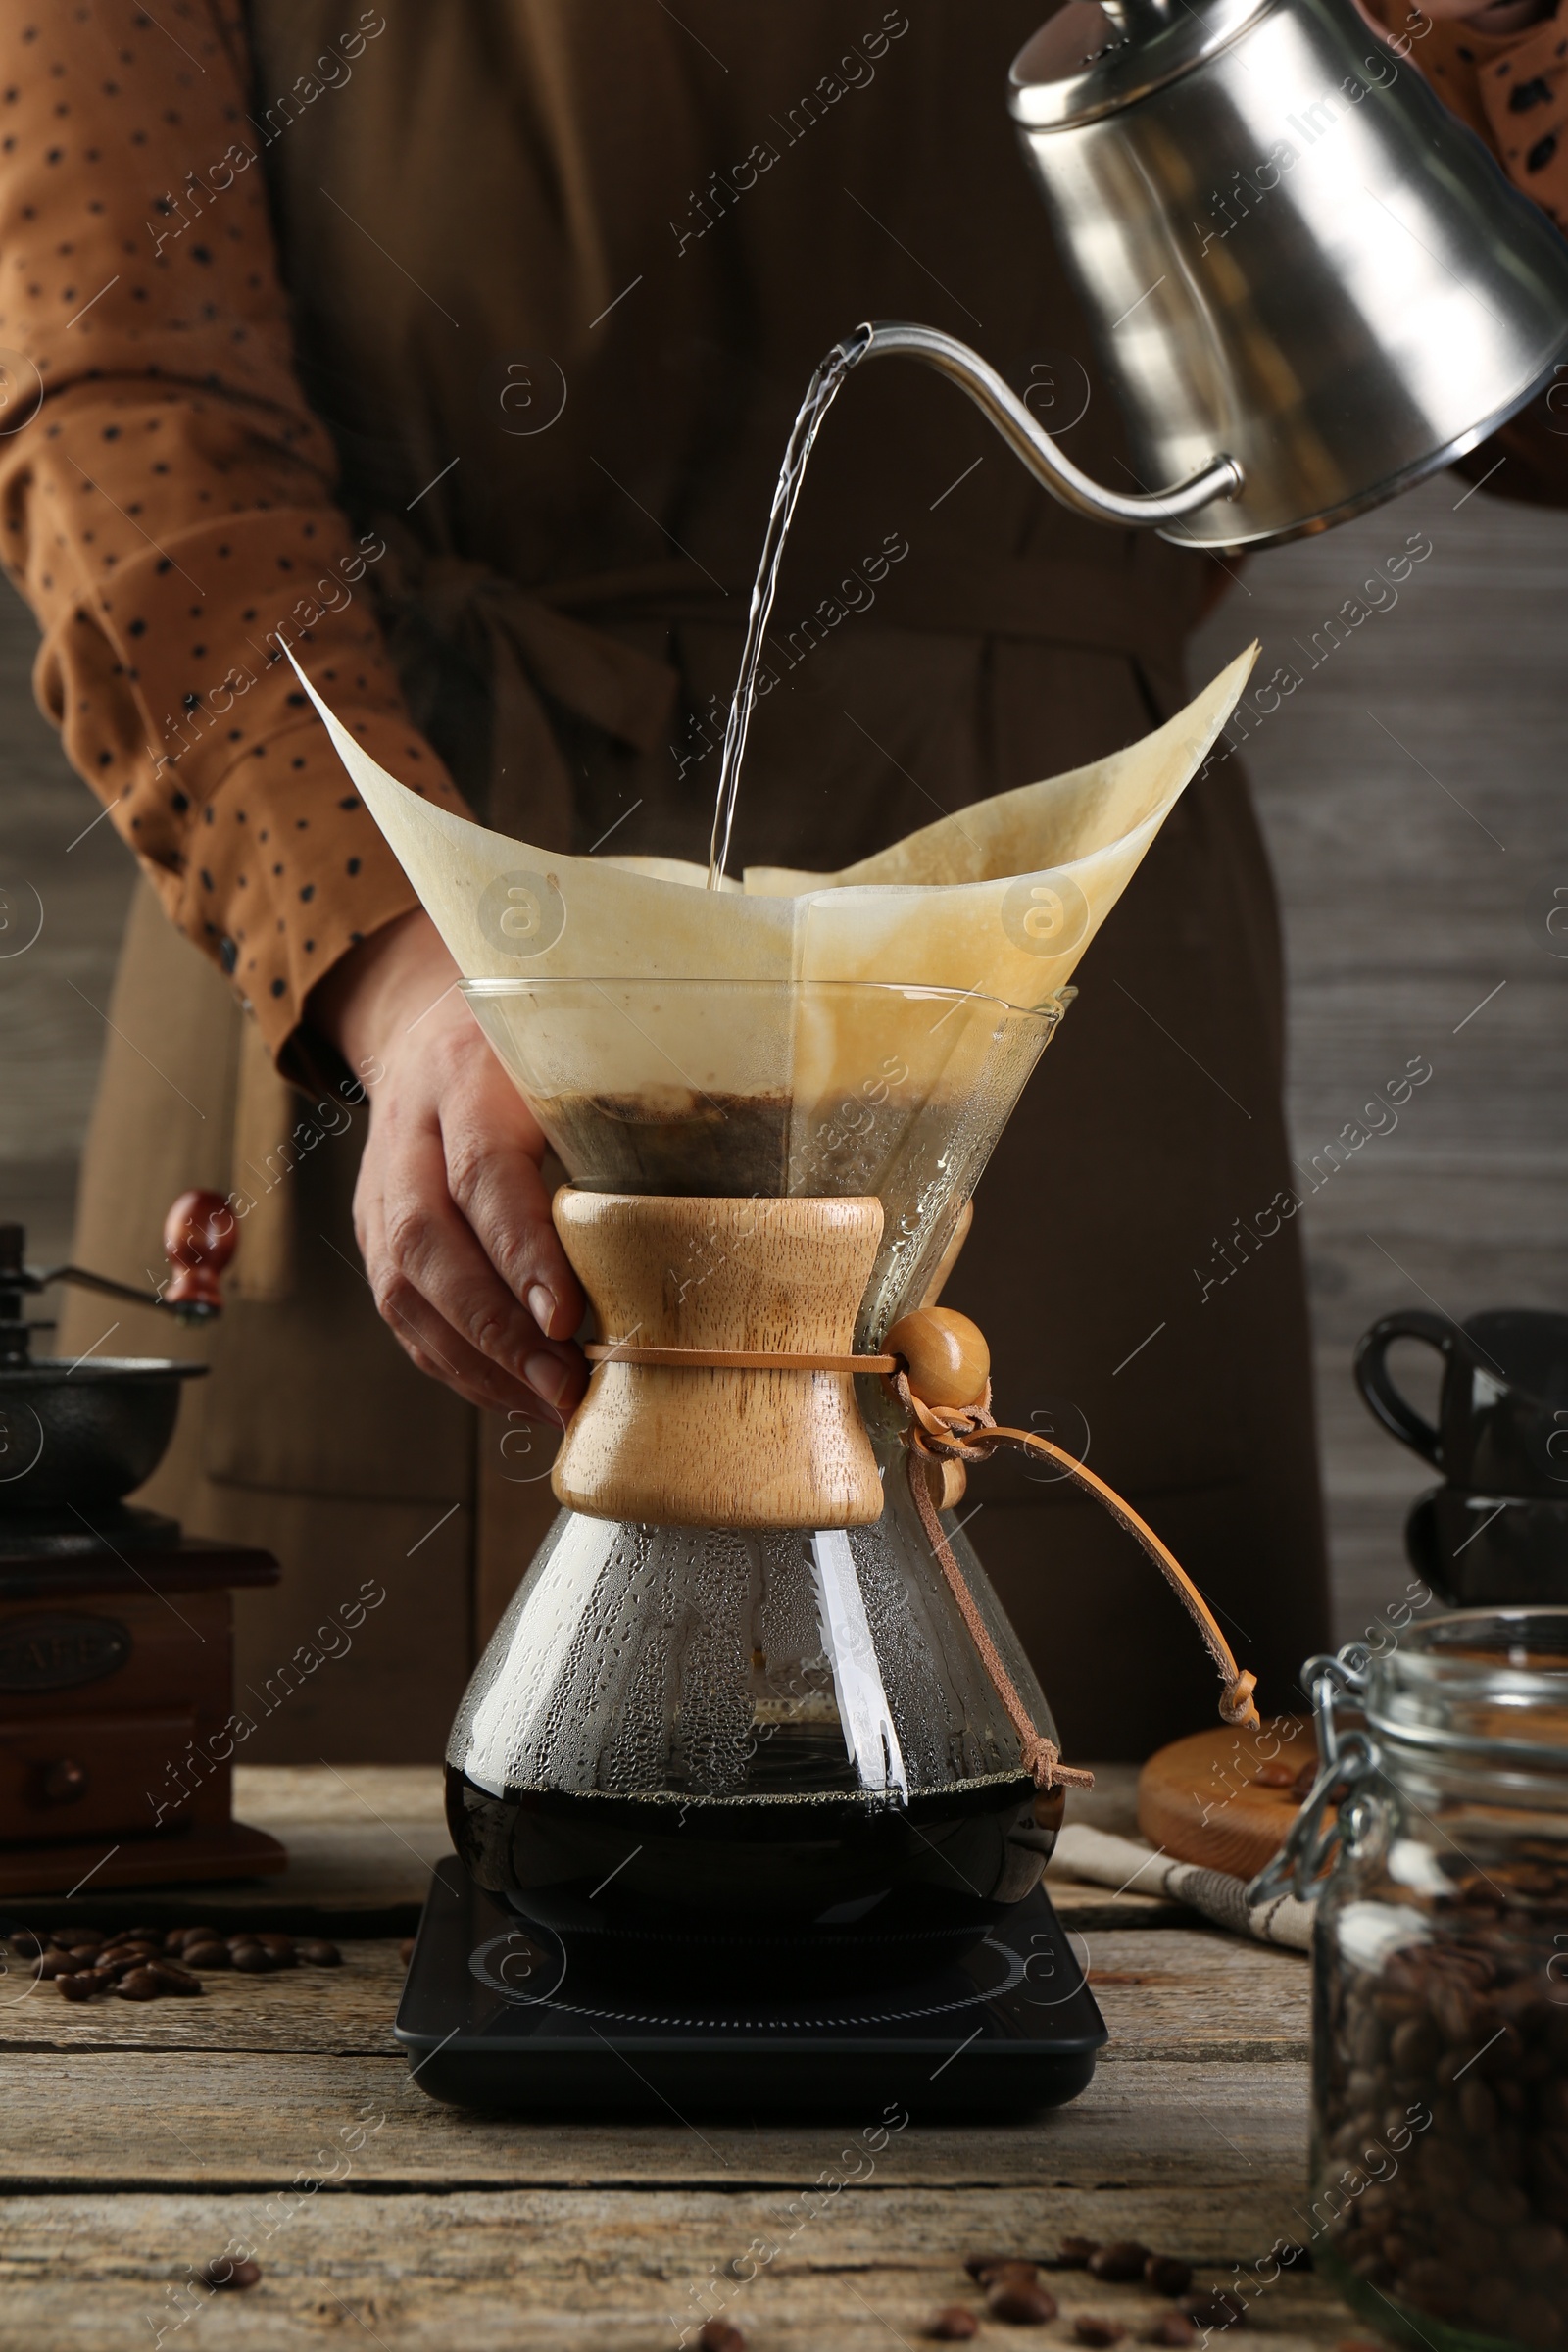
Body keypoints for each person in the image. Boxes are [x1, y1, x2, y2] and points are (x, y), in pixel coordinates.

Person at [1, 0, 1561, 1760]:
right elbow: (120, 398)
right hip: (382, 955)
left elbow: (1524, 400)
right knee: (289, 1981)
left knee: (1085, 1879)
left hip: (1039, 1001)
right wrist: (405, 970)